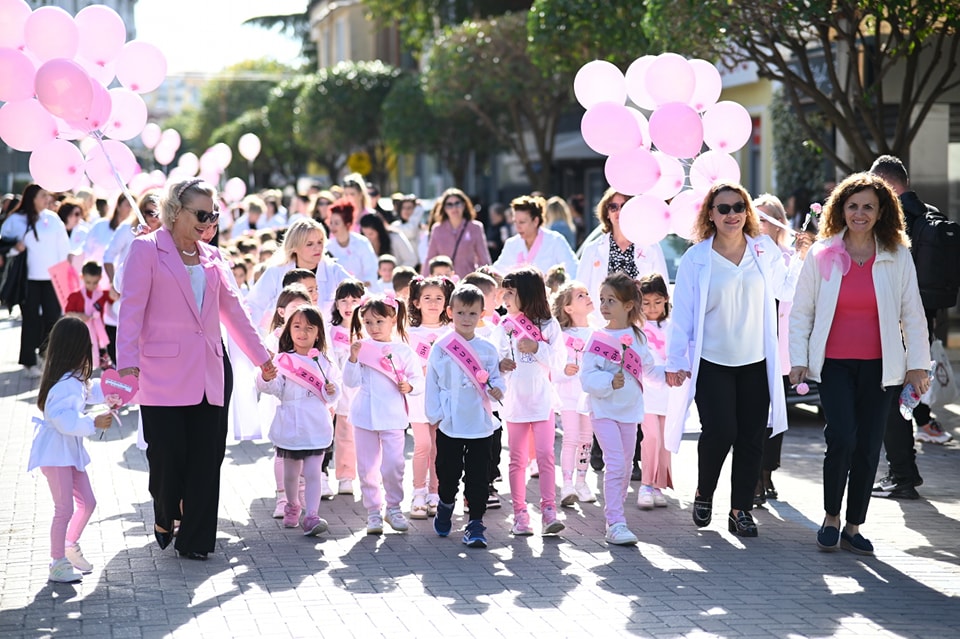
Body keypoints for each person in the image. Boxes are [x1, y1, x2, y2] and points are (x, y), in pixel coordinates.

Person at [116, 179, 276, 561]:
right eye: (202, 214)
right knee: (167, 458)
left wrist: (262, 357)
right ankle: (167, 510)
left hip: (210, 370)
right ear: (175, 213)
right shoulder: (145, 250)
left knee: (207, 459)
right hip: (161, 373)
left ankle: (197, 540)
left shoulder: (214, 257)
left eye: (214, 215)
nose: (209, 222)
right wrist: (127, 365)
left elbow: (234, 311)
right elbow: (131, 311)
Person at [789, 172, 930, 555]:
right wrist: (798, 360)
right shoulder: (823, 253)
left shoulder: (897, 254)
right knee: (842, 437)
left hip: (882, 367)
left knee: (869, 446)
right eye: (853, 206)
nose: (860, 213)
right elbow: (801, 312)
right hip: (834, 364)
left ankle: (854, 525)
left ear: (882, 210)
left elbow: (912, 313)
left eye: (868, 206)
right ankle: (831, 517)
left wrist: (918, 365)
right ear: (841, 209)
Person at [666, 182, 809, 538]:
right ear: (710, 215)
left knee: (751, 437)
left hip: (757, 360)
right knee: (721, 430)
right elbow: (681, 314)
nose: (732, 214)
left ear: (747, 212)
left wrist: (802, 255)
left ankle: (740, 510)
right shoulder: (696, 258)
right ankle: (704, 493)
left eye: (738, 207)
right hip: (712, 359)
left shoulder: (763, 249)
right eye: (723, 208)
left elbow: (785, 291)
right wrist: (674, 360)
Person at [870, 155, 951, 503]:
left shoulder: (891, 219)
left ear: (887, 185)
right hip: (924, 323)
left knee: (890, 403)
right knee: (902, 400)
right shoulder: (931, 214)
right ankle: (904, 471)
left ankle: (903, 474)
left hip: (895, 324)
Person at [580, 273, 664, 545]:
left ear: (628, 305)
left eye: (611, 300)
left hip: (630, 411)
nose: (604, 305)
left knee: (626, 467)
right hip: (603, 410)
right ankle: (615, 522)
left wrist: (670, 375)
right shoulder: (597, 337)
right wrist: (608, 381)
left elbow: (649, 369)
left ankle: (617, 517)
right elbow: (586, 376)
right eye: (602, 299)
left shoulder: (638, 336)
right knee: (615, 463)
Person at [28, 317, 113, 582]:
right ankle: (57, 562)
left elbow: (92, 390)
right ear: (75, 349)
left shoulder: (74, 379)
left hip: (68, 453)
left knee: (87, 502)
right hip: (55, 455)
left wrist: (117, 384)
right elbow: (61, 418)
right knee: (64, 508)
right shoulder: (64, 384)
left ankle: (68, 545)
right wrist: (93, 422)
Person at [426, 284, 506, 548]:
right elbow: (433, 383)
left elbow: (496, 377)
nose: (466, 319)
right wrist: (435, 414)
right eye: (460, 312)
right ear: (450, 312)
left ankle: (475, 522)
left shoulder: (487, 349)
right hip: (450, 422)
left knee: (478, 475)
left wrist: (497, 390)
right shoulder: (442, 346)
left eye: (472, 314)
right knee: (447, 473)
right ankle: (446, 503)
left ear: (481, 314)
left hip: (481, 423)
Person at [257, 304, 341, 536]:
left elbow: (334, 393)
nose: (302, 332)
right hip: (291, 424)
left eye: (309, 328)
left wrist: (331, 390)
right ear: (289, 330)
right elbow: (275, 388)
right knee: (292, 474)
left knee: (314, 472)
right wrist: (266, 376)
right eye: (297, 326)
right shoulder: (283, 360)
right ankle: (293, 504)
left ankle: (312, 515)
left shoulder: (325, 362)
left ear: (318, 333)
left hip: (316, 424)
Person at [344, 293, 424, 535]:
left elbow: (418, 380)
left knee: (393, 465)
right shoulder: (361, 347)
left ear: (392, 319)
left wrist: (409, 387)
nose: (373, 327)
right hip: (364, 416)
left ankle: (394, 507)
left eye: (379, 321)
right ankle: (372, 512)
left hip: (392, 416)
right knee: (367, 467)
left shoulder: (403, 350)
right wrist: (353, 358)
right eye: (368, 322)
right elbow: (350, 382)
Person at [494, 267, 566, 537]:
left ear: (527, 293)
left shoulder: (549, 325)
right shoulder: (503, 326)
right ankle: (520, 513)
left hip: (542, 400)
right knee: (517, 459)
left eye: (511, 293)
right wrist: (501, 364)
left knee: (547, 455)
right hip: (515, 403)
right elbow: (494, 363)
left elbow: (559, 362)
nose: (505, 298)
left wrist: (538, 347)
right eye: (504, 292)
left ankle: (549, 511)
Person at [753, 193, 801, 504]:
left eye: (766, 218)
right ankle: (754, 476)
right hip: (750, 347)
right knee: (754, 414)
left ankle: (768, 471)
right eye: (755, 217)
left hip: (780, 350)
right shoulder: (743, 255)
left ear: (779, 224)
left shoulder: (789, 257)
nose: (759, 224)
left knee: (777, 416)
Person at [0, 184, 70, 378]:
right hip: (28, 279)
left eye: (47, 195)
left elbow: (64, 249)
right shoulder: (16, 219)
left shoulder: (53, 218)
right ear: (32, 197)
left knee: (53, 319)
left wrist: (64, 278)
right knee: (30, 321)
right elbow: (4, 245)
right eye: (42, 195)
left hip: (51, 279)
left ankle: (48, 357)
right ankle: (29, 362)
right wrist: (16, 247)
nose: (47, 199)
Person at [576, 188, 669, 320]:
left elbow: (664, 288)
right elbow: (580, 291)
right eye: (613, 207)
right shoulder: (593, 249)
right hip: (602, 325)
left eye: (624, 206)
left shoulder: (651, 247)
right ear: (607, 213)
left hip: (642, 325)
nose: (619, 211)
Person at [263, 284, 314, 518]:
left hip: (309, 407)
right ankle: (283, 497)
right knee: (283, 453)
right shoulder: (273, 340)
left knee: (305, 451)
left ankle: (301, 496)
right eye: (294, 308)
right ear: (281, 311)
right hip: (282, 403)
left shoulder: (315, 340)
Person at [405, 276, 455, 519]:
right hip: (417, 398)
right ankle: (417, 492)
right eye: (427, 298)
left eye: (439, 298)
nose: (433, 303)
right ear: (416, 302)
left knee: (438, 447)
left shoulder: (451, 332)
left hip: (442, 398)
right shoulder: (408, 333)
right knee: (422, 445)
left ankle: (435, 493)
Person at [245, 218, 351, 329]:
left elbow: (361, 297)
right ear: (294, 247)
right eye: (309, 244)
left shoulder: (334, 271)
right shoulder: (276, 272)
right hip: (283, 341)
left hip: (324, 341)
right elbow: (253, 305)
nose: (317, 248)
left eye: (320, 242)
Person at [551, 281, 596, 507]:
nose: (588, 297)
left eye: (587, 293)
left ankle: (581, 481)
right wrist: (564, 371)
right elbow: (553, 367)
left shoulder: (598, 332)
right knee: (570, 438)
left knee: (587, 440)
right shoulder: (561, 335)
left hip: (589, 396)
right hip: (569, 395)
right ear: (568, 308)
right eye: (580, 295)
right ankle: (567, 484)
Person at [637, 273, 672, 510]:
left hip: (668, 392)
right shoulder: (636, 328)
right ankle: (645, 484)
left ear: (666, 300)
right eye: (646, 303)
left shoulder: (673, 327)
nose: (652, 308)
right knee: (651, 437)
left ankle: (659, 486)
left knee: (665, 440)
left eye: (657, 302)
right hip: (645, 393)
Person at [328, 279, 365, 496]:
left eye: (354, 300)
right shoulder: (330, 331)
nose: (348, 305)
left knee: (369, 436)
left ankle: (370, 475)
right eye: (343, 300)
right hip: (342, 395)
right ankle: (345, 476)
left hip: (366, 394)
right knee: (343, 435)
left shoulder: (370, 328)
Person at [494, 195, 578, 276]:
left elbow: (573, 269)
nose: (518, 227)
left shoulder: (555, 240)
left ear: (535, 221)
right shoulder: (512, 244)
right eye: (515, 222)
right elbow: (498, 271)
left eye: (522, 222)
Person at [425, 189, 492, 278]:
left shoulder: (475, 227)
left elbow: (484, 259)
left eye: (457, 203)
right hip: (444, 282)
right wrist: (423, 283)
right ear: (444, 208)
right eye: (449, 205)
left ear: (464, 205)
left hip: (468, 282)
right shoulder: (437, 229)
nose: (454, 208)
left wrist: (487, 280)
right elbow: (430, 259)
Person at [63, 261, 114, 369]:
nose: (91, 285)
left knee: (103, 360)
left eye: (95, 282)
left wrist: (113, 287)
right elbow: (67, 314)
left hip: (98, 334)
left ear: (100, 278)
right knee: (81, 361)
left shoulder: (103, 294)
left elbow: (115, 299)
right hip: (80, 334)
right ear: (82, 277)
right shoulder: (75, 296)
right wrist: (79, 315)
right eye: (88, 282)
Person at [326, 200, 379, 286]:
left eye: (336, 223)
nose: (332, 226)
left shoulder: (362, 242)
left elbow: (371, 270)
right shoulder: (327, 247)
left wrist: (360, 287)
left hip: (364, 291)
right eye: (331, 222)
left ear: (347, 223)